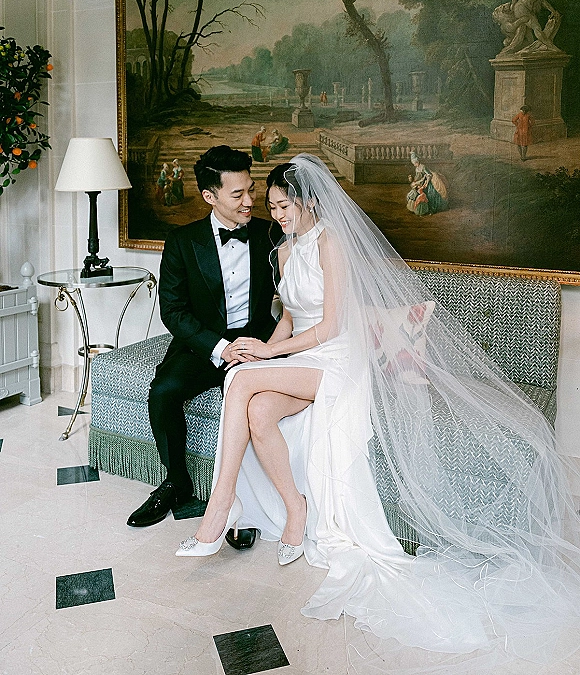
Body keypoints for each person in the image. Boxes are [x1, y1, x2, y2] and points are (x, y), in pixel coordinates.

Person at [174, 153, 580, 674]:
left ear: (309, 202)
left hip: (339, 361)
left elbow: (332, 327)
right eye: (271, 206)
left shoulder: (332, 244)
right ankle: (295, 511)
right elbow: (293, 318)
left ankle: (218, 510)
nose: (275, 214)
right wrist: (263, 347)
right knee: (254, 407)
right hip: (302, 355)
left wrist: (267, 357)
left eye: (283, 205)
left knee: (241, 378)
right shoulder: (282, 252)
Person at [127, 145, 281, 552]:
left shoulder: (272, 232)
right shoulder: (181, 241)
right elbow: (173, 312)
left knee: (252, 409)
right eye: (238, 194)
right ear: (210, 196)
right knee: (162, 392)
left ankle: (245, 506)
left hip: (259, 346)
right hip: (204, 346)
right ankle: (177, 482)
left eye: (251, 190)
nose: (250, 201)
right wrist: (220, 347)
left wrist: (261, 347)